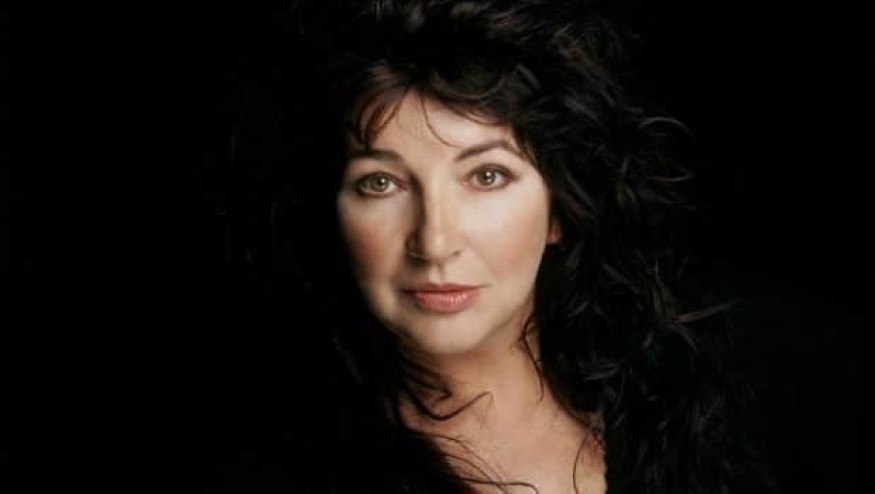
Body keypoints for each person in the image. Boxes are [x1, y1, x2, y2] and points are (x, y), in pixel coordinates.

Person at [214, 0, 777, 492]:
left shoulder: (681, 417)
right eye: (380, 183)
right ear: (334, 213)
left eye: (486, 176)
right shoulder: (274, 468)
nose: (434, 242)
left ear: (560, 208)